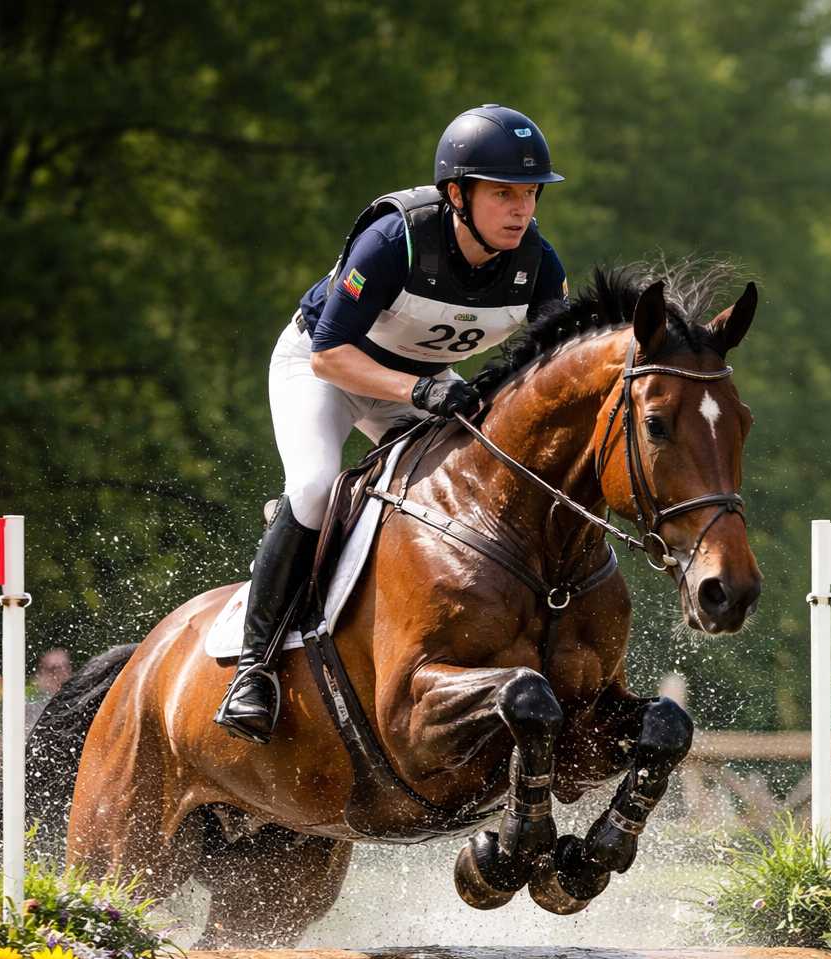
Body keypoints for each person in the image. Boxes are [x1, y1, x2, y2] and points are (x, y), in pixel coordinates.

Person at [215, 104, 569, 745]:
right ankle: (254, 668)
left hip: (421, 387)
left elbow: (553, 366)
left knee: (473, 494)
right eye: (503, 194)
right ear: (457, 195)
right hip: (325, 370)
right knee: (316, 487)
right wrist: (421, 389)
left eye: (529, 194)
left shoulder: (538, 265)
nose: (521, 210)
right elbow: (329, 354)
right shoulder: (393, 241)